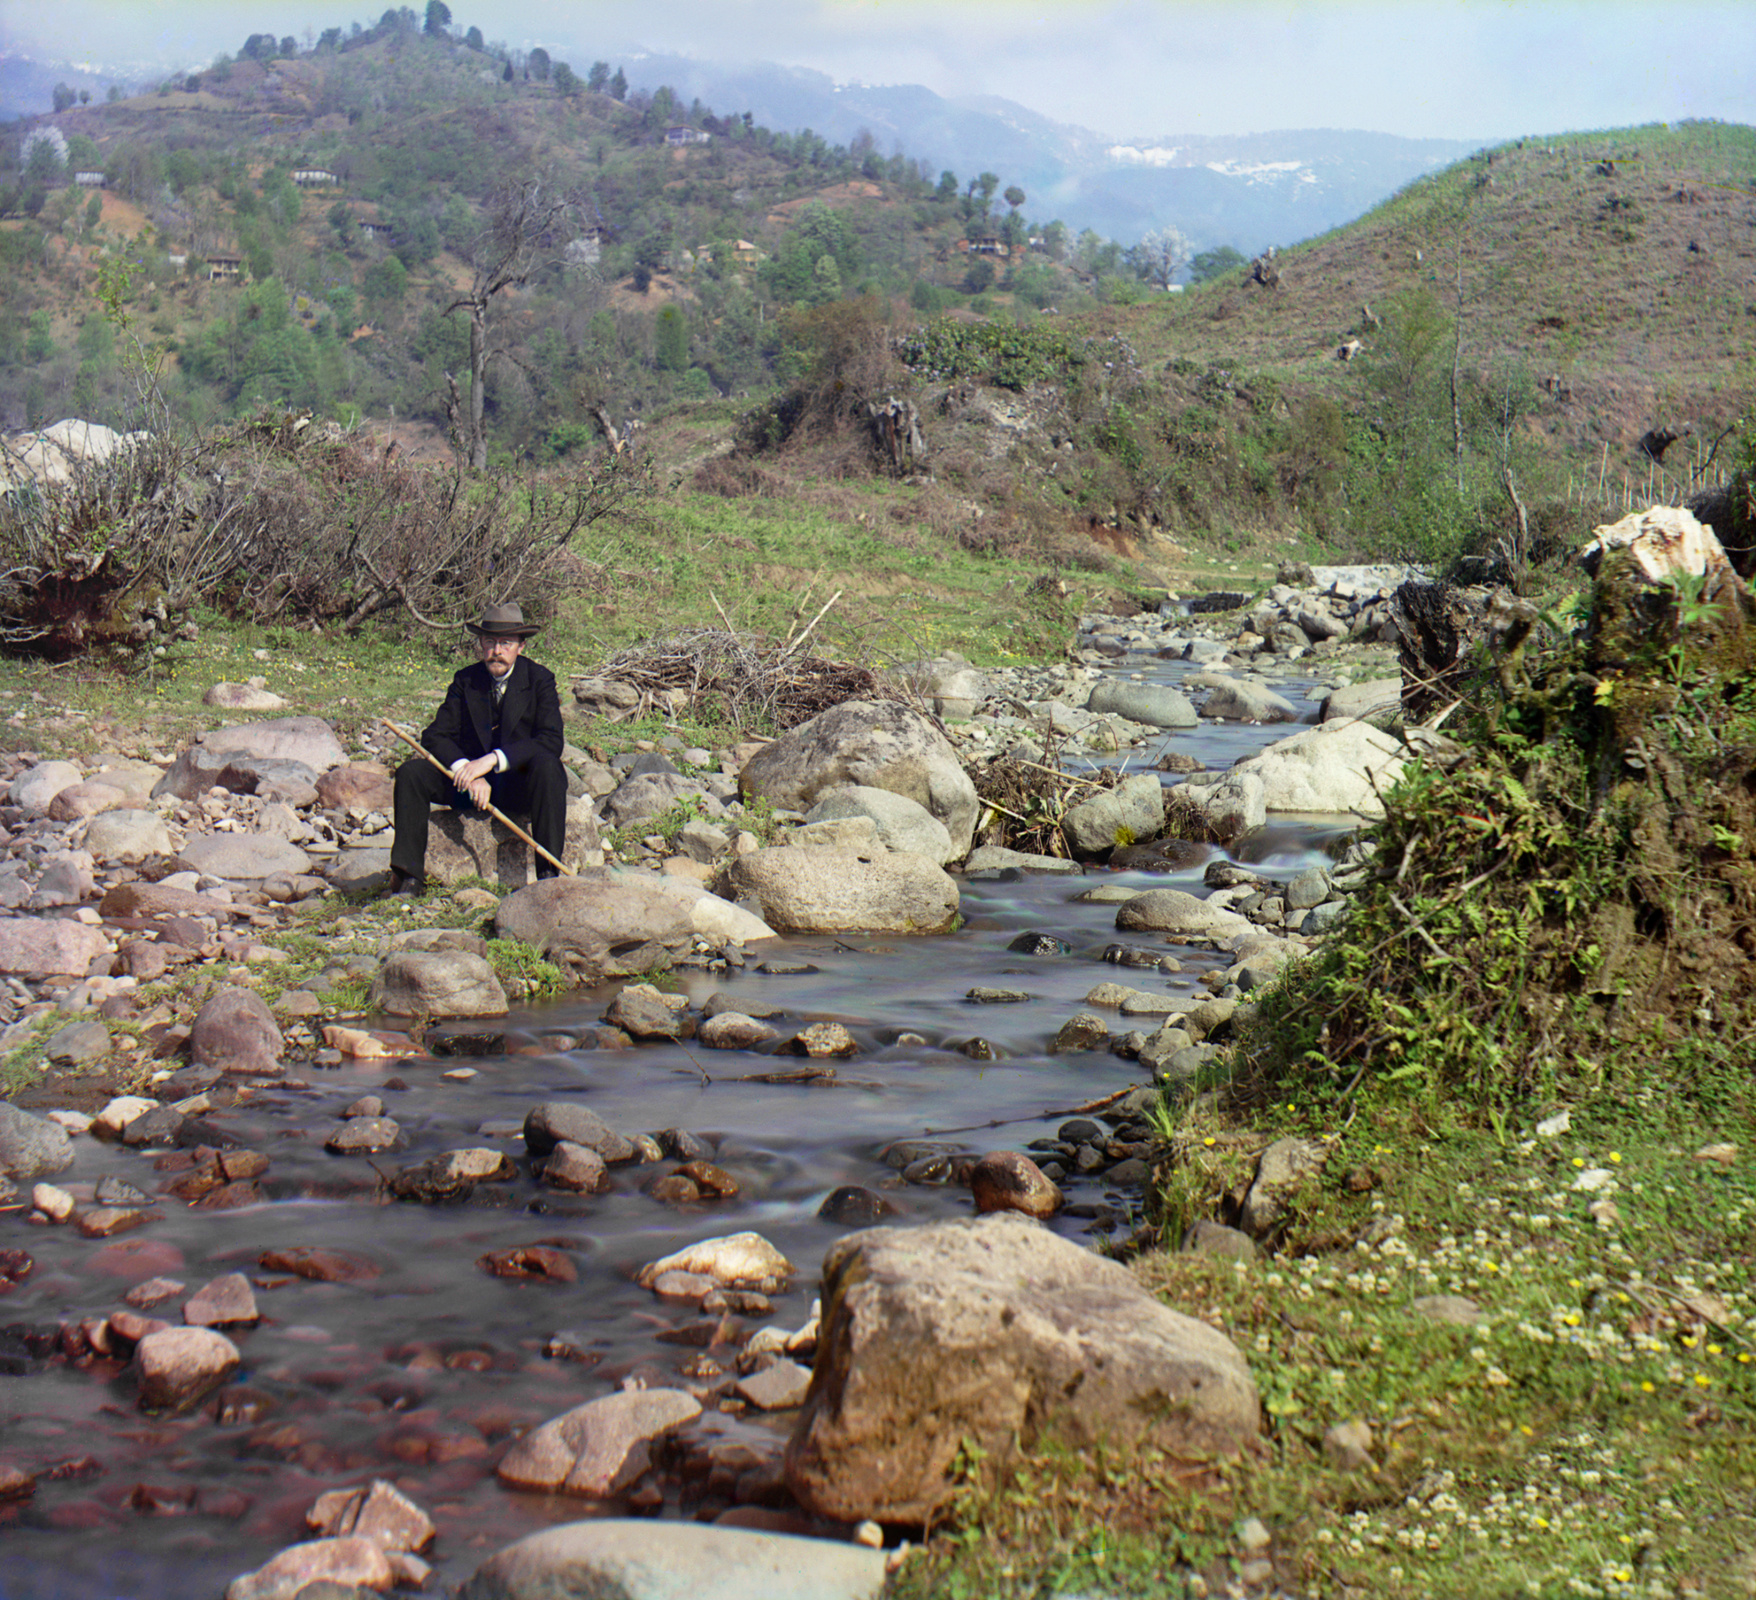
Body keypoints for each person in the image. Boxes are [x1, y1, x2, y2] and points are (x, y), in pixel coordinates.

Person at [388, 602, 567, 894]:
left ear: (520, 646)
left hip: (518, 787)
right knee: (411, 773)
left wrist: (493, 761)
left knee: (549, 768)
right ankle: (409, 878)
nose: (496, 650)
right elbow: (434, 735)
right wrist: (465, 770)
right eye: (490, 642)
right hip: (467, 788)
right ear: (481, 644)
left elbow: (550, 740)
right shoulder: (465, 680)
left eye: (505, 643)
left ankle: (547, 877)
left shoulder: (540, 680)